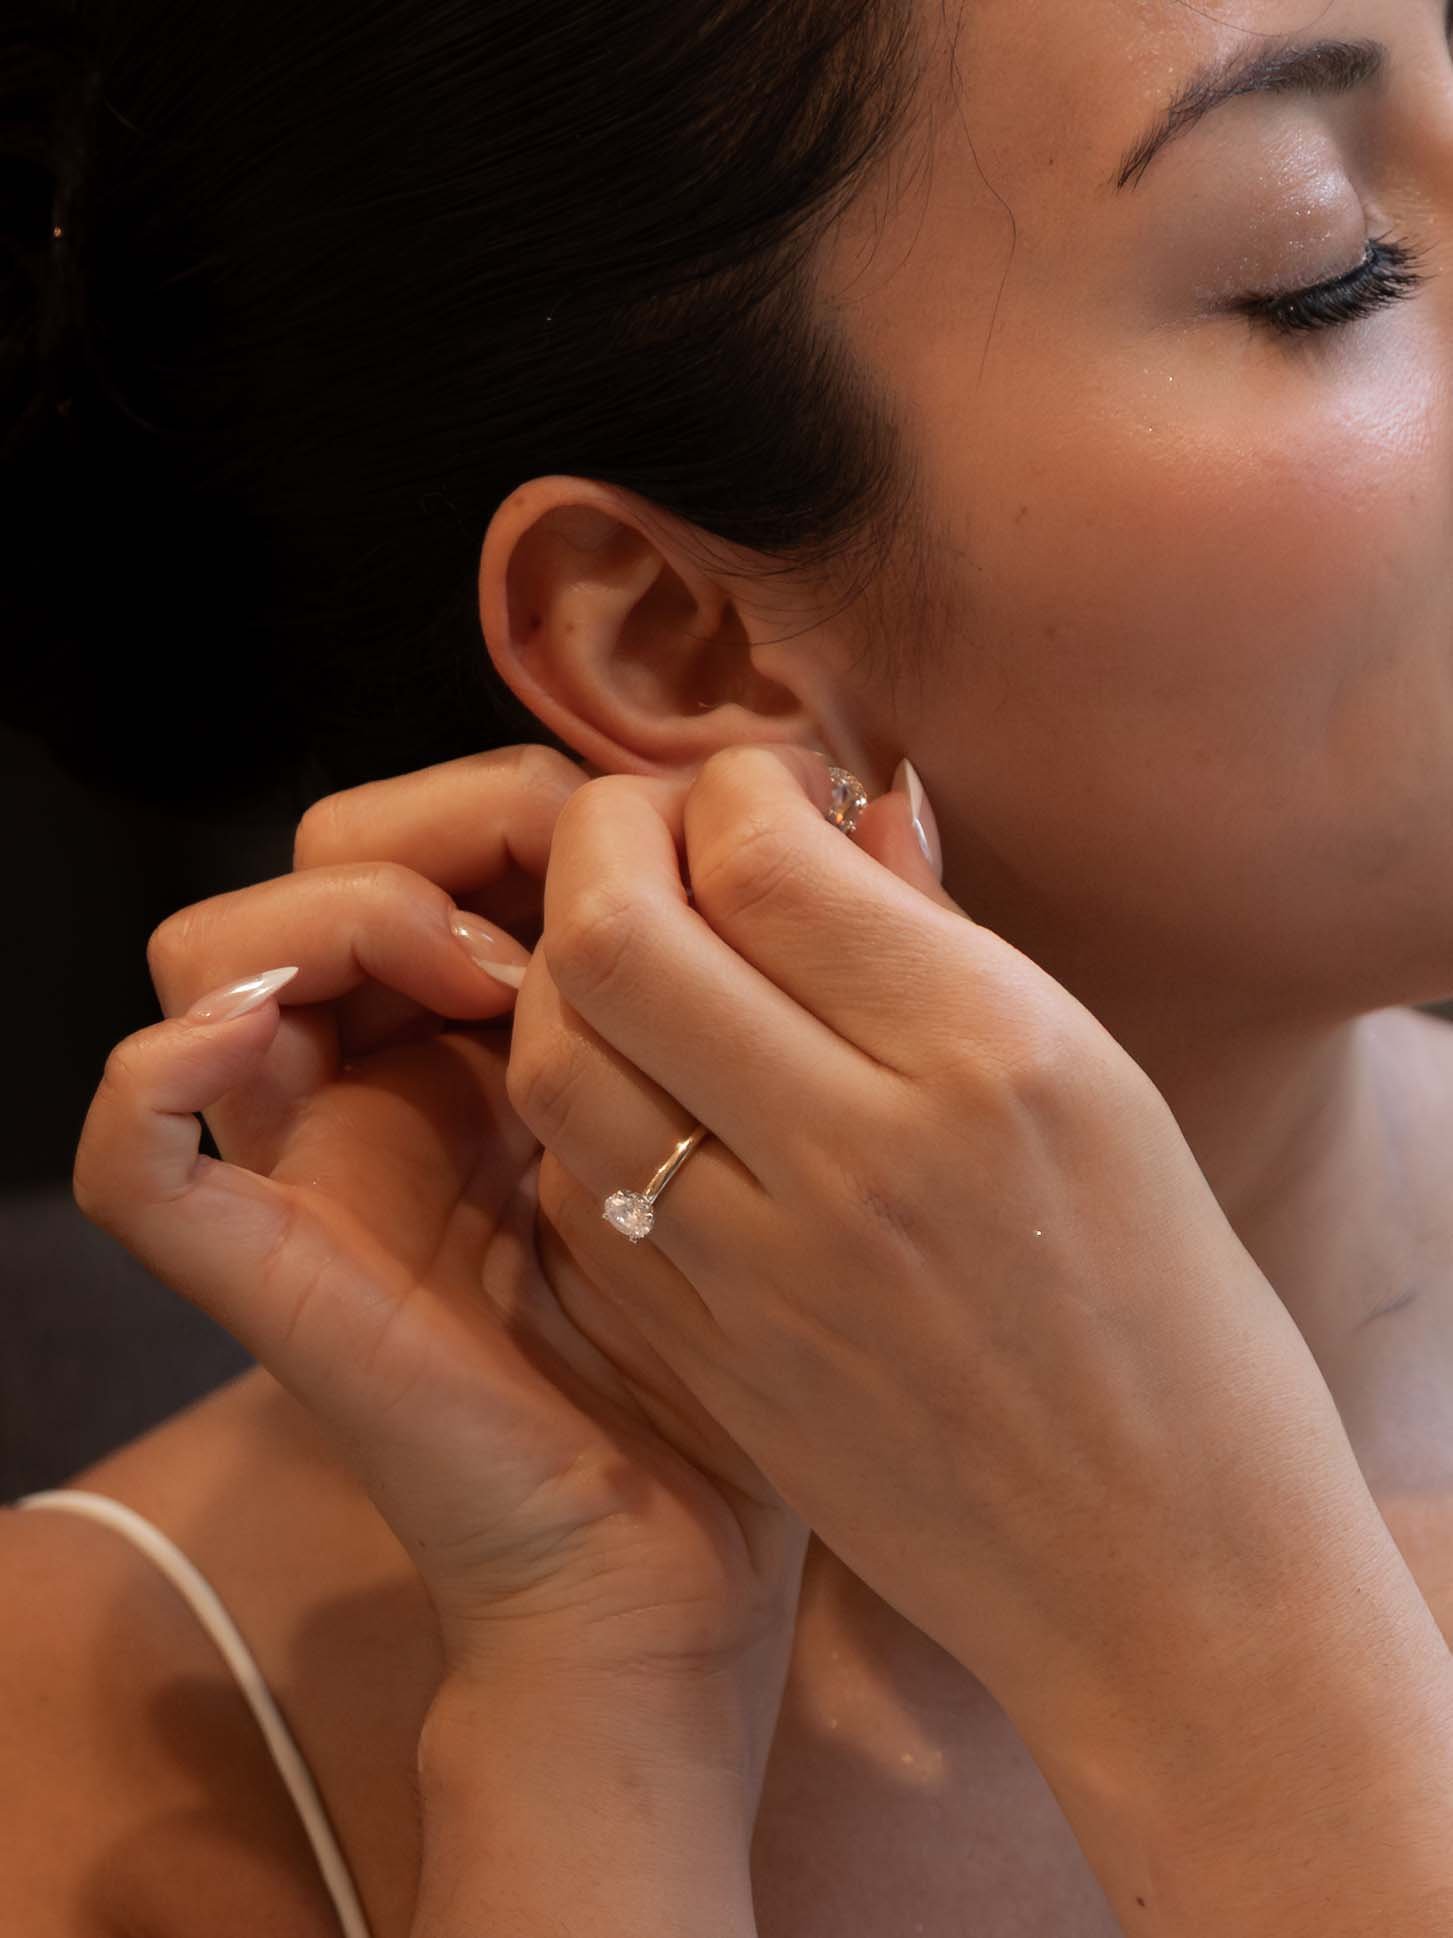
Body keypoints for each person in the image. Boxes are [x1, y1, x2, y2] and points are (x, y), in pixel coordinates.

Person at [5, 0, 1453, 1931]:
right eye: (1327, 260)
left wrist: (1206, 1621)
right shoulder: (98, 1764)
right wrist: (600, 1714)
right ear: (684, 644)